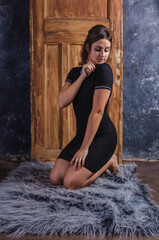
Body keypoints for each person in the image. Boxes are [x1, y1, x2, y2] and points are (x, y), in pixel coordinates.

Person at [50, 24, 120, 190]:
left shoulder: (104, 70)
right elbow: (62, 101)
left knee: (71, 182)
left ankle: (109, 160)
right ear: (88, 47)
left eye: (107, 50)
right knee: (55, 178)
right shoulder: (75, 72)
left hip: (102, 136)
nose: (102, 55)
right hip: (83, 135)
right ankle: (97, 159)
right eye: (98, 49)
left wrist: (84, 148)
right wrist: (82, 77)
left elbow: (97, 112)